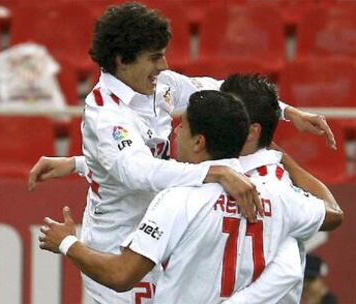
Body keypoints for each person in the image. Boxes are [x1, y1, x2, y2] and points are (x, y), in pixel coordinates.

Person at [29, 2, 336, 302]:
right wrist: (215, 171)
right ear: (122, 60)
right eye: (155, 58)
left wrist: (286, 111)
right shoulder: (106, 115)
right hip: (117, 247)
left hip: (164, 231)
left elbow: (220, 91)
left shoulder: (160, 85)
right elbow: (138, 172)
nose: (163, 66)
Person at [38, 90, 343, 303]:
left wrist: (66, 242)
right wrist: (281, 157)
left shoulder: (178, 200)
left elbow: (122, 275)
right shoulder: (276, 196)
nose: (174, 133)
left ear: (198, 141)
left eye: (181, 127)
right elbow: (331, 215)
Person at [217, 74, 343, 303]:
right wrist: (283, 155)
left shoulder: (272, 186)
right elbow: (333, 213)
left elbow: (333, 216)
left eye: (226, 112)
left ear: (251, 131)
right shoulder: (213, 172)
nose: (216, 117)